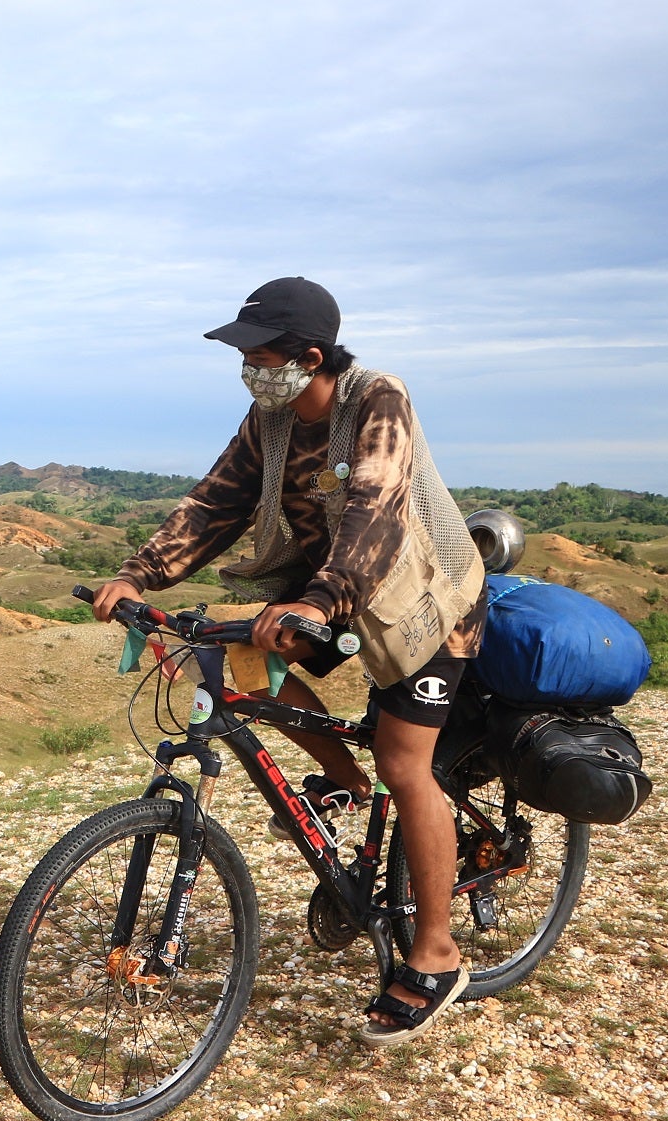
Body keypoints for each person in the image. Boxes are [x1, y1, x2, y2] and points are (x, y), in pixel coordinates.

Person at [88, 276, 487, 1045]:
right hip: (334, 591)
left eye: (261, 357)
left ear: (309, 356)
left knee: (409, 765)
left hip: (428, 601)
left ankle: (436, 955)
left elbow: (375, 506)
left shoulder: (376, 399)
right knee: (239, 652)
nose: (250, 371)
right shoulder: (269, 418)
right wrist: (139, 573)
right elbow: (217, 501)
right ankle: (342, 779)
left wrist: (318, 599)